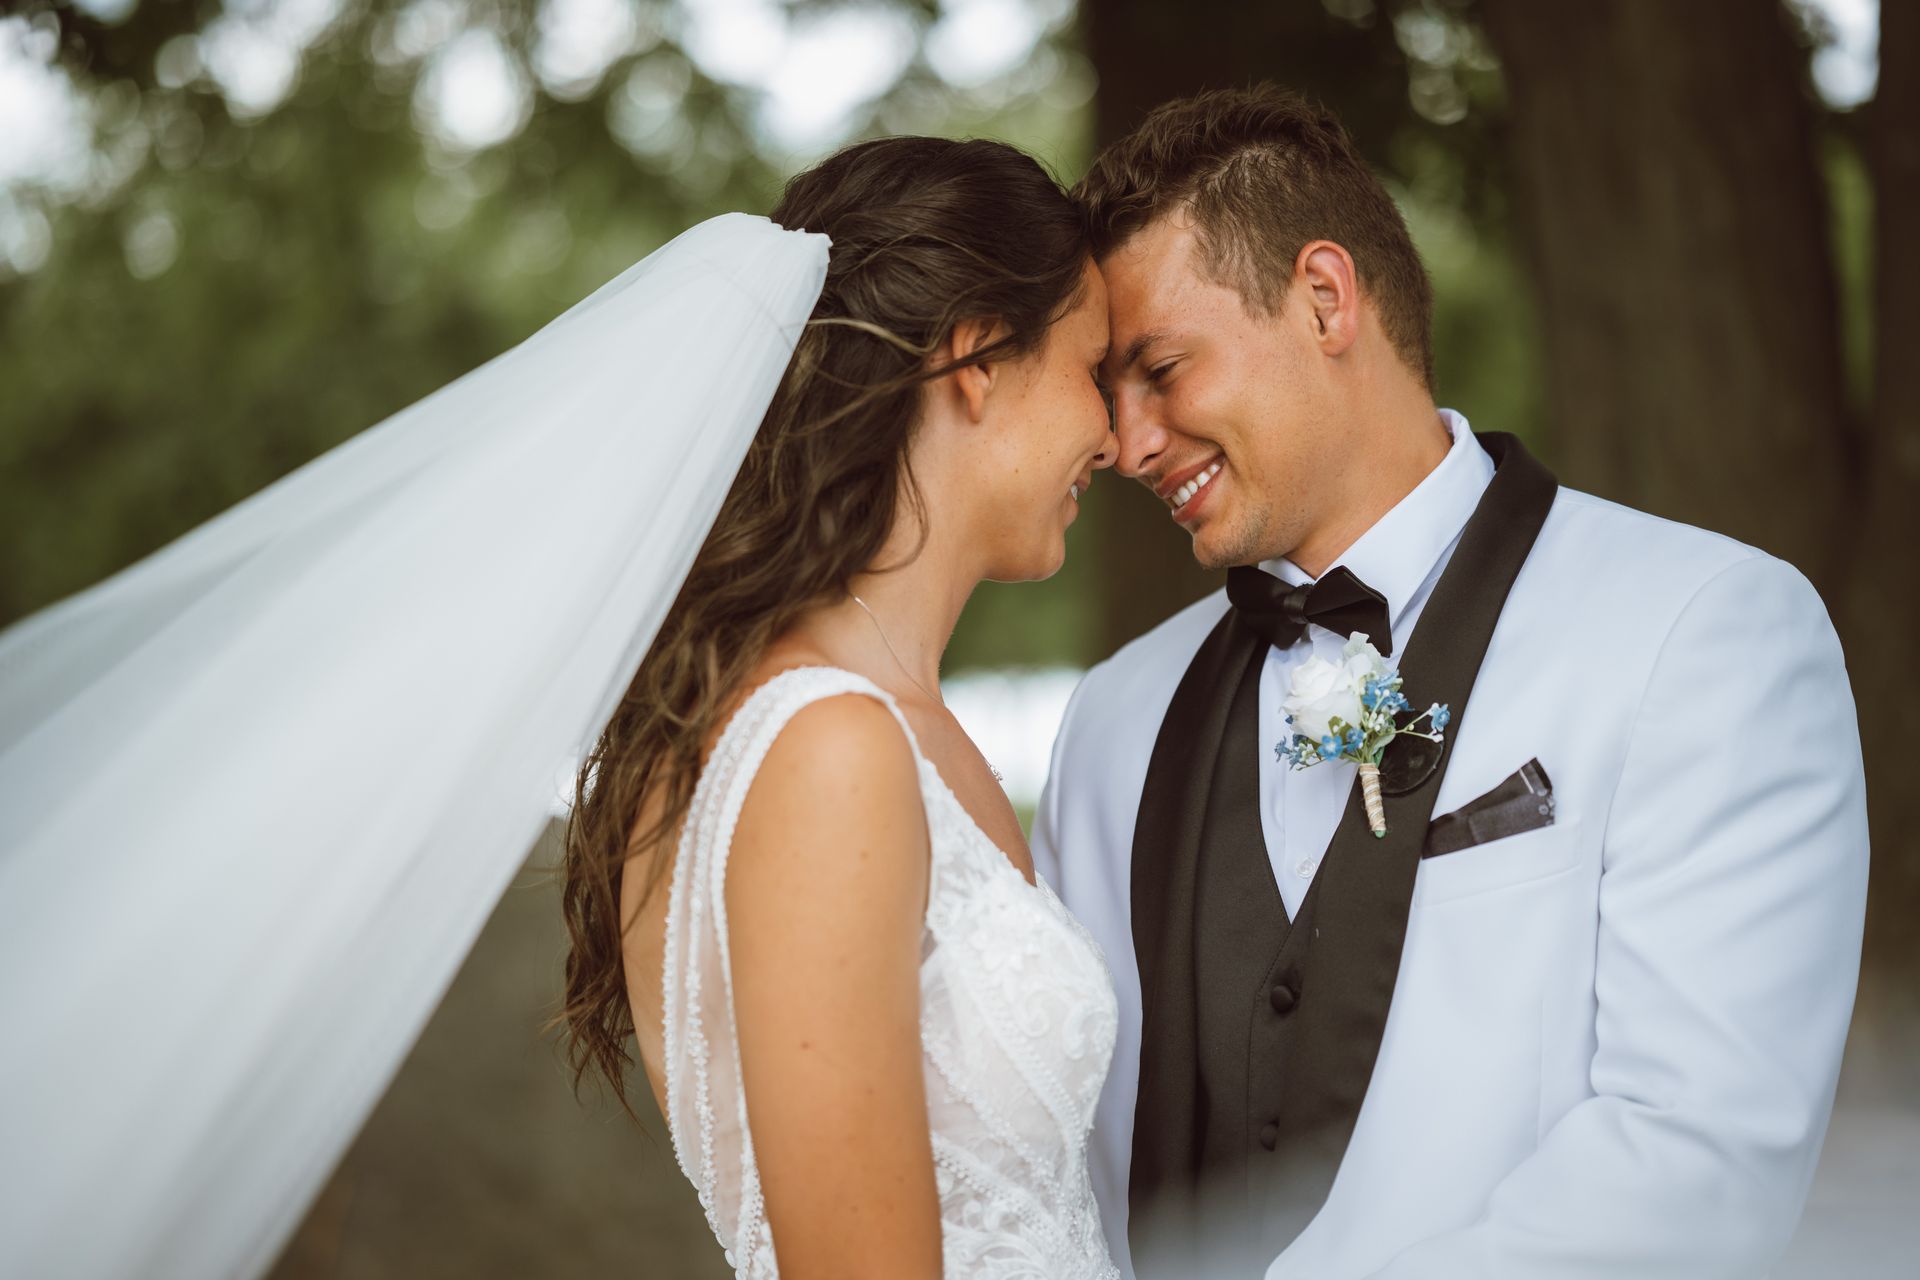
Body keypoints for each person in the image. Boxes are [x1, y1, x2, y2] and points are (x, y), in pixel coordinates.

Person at [1032, 85, 1870, 1279]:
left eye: (1159, 367)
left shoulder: (1705, 629)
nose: (1127, 440)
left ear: (1326, 297)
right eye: (1107, 392)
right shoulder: (1112, 718)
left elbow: (1699, 1161)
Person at [555, 136, 1121, 1279]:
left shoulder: (882, 726)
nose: (1113, 433)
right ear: (978, 356)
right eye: (1092, 368)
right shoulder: (826, 747)